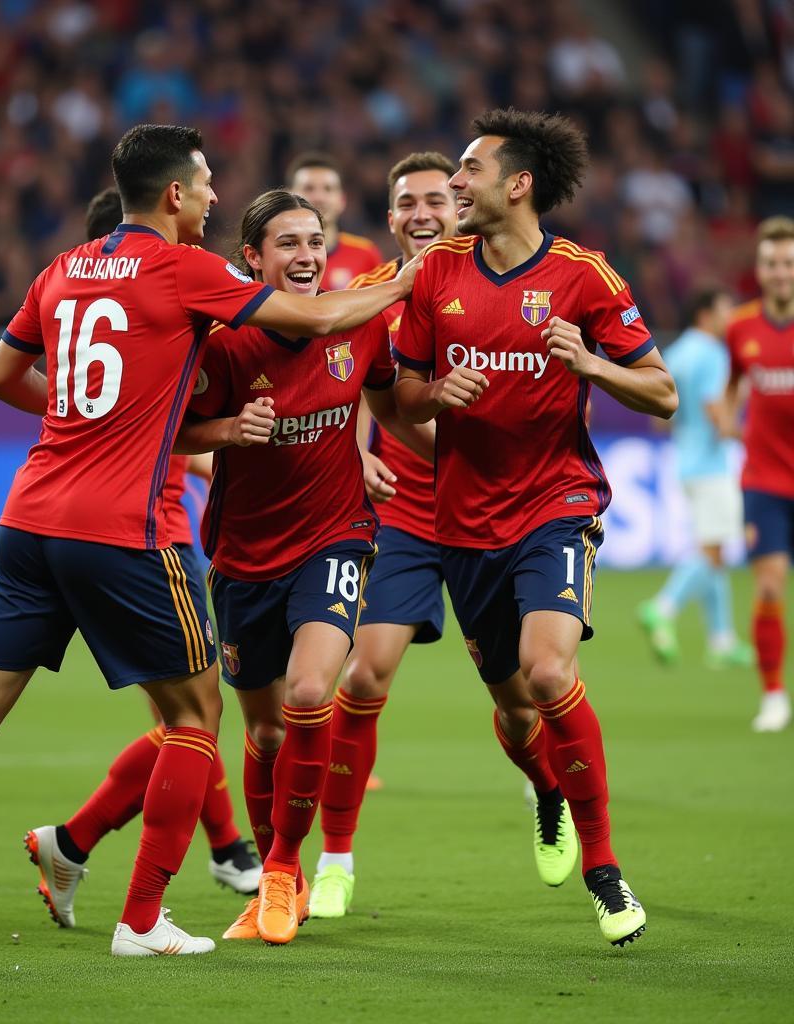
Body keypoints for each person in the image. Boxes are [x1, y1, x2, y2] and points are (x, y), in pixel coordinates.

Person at [0, 124, 420, 957]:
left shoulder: (63, 268)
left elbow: (0, 377)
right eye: (208, 185)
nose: (216, 198)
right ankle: (144, 918)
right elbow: (315, 312)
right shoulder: (188, 268)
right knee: (195, 718)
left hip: (29, 517)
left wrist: (89, 419)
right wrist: (407, 280)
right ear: (175, 195)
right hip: (125, 526)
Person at [394, 108, 677, 948]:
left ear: (518, 184)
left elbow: (661, 393)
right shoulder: (436, 273)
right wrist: (435, 397)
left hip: (554, 505)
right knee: (518, 714)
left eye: (469, 171)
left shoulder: (586, 278)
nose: (454, 184)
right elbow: (403, 394)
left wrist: (589, 362)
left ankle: (603, 868)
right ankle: (549, 791)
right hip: (463, 523)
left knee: (551, 674)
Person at [174, 189, 437, 946]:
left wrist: (458, 467)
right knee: (260, 734)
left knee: (315, 689)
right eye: (287, 244)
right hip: (245, 554)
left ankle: (285, 868)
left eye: (315, 242)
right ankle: (268, 882)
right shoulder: (225, 344)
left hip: (336, 535)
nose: (307, 256)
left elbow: (390, 410)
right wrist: (228, 428)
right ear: (251, 259)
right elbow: (175, 426)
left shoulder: (360, 327)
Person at [25, 189, 260, 930]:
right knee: (190, 713)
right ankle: (218, 853)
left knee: (180, 717)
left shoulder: (156, 322)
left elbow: (177, 433)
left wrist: (208, 451)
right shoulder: (161, 299)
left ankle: (75, 840)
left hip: (158, 527)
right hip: (134, 536)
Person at [311, 151, 456, 919]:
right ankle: (336, 860)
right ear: (391, 217)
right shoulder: (365, 295)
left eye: (438, 199)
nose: (424, 213)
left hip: (495, 515)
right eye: (409, 203)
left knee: (529, 698)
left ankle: (550, 794)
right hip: (402, 508)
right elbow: (341, 390)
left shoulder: (507, 286)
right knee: (364, 678)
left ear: (461, 208)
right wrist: (356, 456)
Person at [637, 287, 753, 669]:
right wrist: (749, 430)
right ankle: (663, 606)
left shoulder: (679, 352)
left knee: (712, 547)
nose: (731, 316)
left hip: (685, 461)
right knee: (714, 551)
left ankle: (721, 640)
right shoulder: (711, 355)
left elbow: (660, 416)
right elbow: (720, 420)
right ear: (706, 313)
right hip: (711, 466)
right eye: (725, 307)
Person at [722, 216, 794, 733]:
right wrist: (728, 421)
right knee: (769, 588)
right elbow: (730, 390)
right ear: (760, 270)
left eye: (788, 263)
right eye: (771, 263)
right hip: (765, 481)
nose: (779, 273)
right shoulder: (740, 328)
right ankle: (773, 694)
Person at [287, 152, 382, 291]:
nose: (319, 197)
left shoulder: (366, 254)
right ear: (289, 198)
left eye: (328, 189)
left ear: (342, 200)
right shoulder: (278, 256)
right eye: (309, 188)